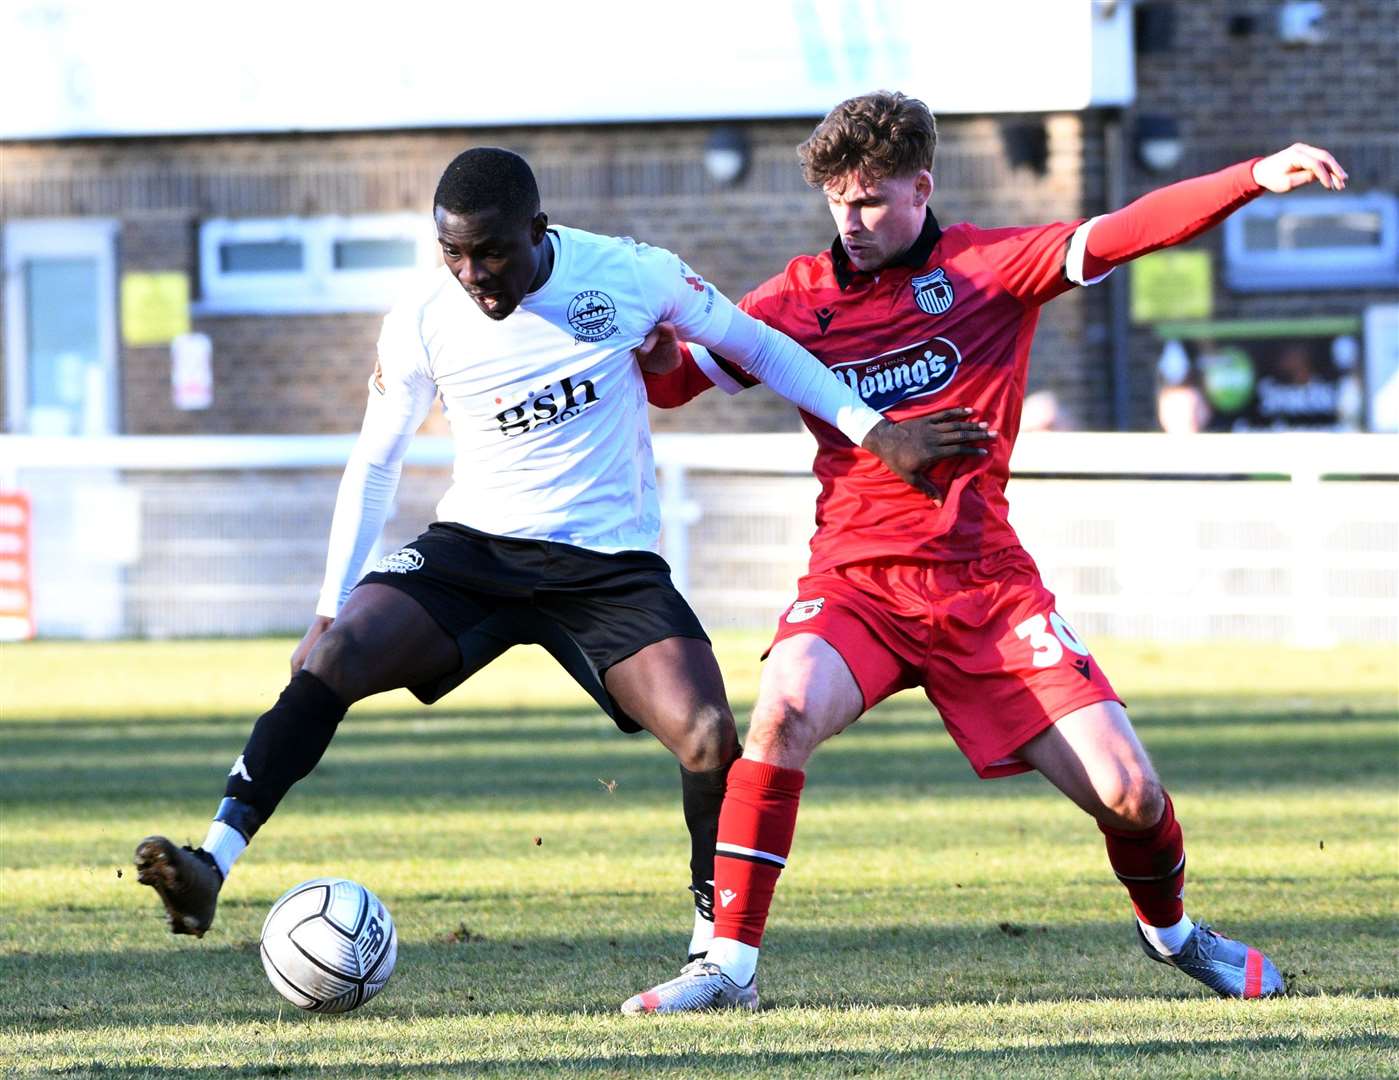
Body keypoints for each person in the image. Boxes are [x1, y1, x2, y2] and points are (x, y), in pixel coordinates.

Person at [133, 147, 994, 970]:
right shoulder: (424, 317)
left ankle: (714, 946)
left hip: (605, 567)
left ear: (538, 229)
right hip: (473, 551)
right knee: (333, 656)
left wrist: (875, 433)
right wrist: (329, 601)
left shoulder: (629, 274)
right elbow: (375, 463)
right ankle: (213, 863)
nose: (473, 276)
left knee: (705, 735)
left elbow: (758, 347)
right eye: (454, 255)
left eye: (492, 254)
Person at [622, 92, 1347, 1012]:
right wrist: (651, 355)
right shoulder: (795, 302)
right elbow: (681, 382)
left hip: (986, 589)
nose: (852, 219)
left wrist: (1251, 175)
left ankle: (1172, 935)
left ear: (921, 187)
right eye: (838, 200)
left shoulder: (989, 269)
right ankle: (727, 967)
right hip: (857, 587)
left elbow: (1125, 232)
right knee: (780, 714)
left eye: (872, 199)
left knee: (1128, 793)